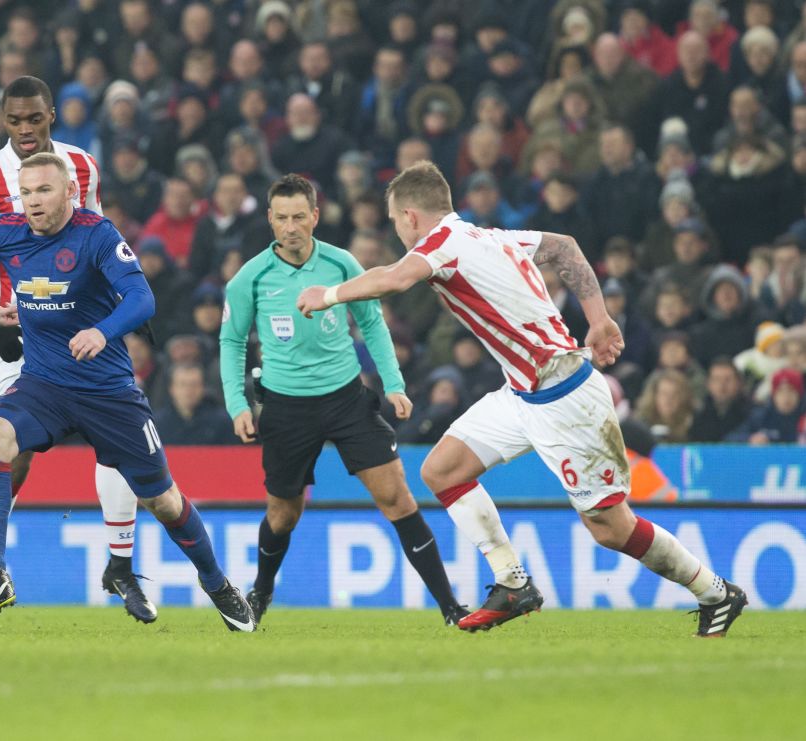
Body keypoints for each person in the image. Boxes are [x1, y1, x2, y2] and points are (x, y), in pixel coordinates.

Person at [296, 161, 747, 638]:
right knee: (441, 470)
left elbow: (392, 278)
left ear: (410, 216)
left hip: (566, 396)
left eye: (394, 221)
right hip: (522, 392)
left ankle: (716, 592)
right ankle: (513, 584)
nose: (397, 231)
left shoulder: (443, 243)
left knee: (611, 528)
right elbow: (565, 249)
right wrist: (598, 318)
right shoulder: (493, 237)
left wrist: (327, 295)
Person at [0, 152, 255, 631]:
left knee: (163, 500)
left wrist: (102, 331)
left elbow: (143, 298)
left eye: (44, 191)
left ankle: (217, 584)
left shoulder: (96, 234)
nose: (34, 202)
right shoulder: (5, 231)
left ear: (68, 193)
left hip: (108, 392)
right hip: (44, 385)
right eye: (26, 192)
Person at [0, 76, 155, 624]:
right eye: (15, 121)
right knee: (12, 444)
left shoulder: (83, 166)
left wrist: (111, 314)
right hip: (15, 329)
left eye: (34, 119)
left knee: (116, 439)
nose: (26, 130)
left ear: (51, 115)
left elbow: (95, 235)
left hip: (83, 326)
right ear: (3, 122)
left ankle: (121, 564)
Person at [220, 173, 465, 626]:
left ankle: (452, 609)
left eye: (299, 217)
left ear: (314, 216)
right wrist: (238, 404)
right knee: (284, 513)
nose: (290, 227)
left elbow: (371, 323)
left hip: (346, 399)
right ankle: (260, 592)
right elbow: (231, 342)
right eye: (281, 218)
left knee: (397, 498)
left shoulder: (341, 264)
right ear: (270, 221)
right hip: (286, 407)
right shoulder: (249, 278)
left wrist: (393, 383)